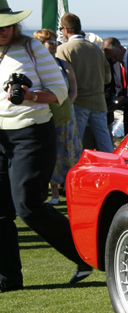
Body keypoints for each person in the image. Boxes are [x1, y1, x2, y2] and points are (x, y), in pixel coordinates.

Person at [0, 2, 91, 292]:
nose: (3, 29)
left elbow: (60, 92)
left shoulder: (32, 48)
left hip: (31, 134)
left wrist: (30, 96)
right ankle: (8, 279)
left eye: (7, 24)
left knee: (28, 206)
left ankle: (85, 256)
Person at [34, 28, 80, 206]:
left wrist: (66, 105)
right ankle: (52, 192)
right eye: (50, 43)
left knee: (69, 152)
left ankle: (69, 190)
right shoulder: (36, 67)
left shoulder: (63, 64)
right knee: (49, 153)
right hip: (45, 115)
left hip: (67, 116)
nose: (55, 46)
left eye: (55, 42)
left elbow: (74, 88)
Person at [55, 12, 112, 154]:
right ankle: (112, 168)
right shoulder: (97, 50)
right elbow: (108, 79)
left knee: (76, 142)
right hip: (99, 101)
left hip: (78, 102)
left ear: (65, 30)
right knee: (104, 141)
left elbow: (61, 78)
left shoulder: (63, 49)